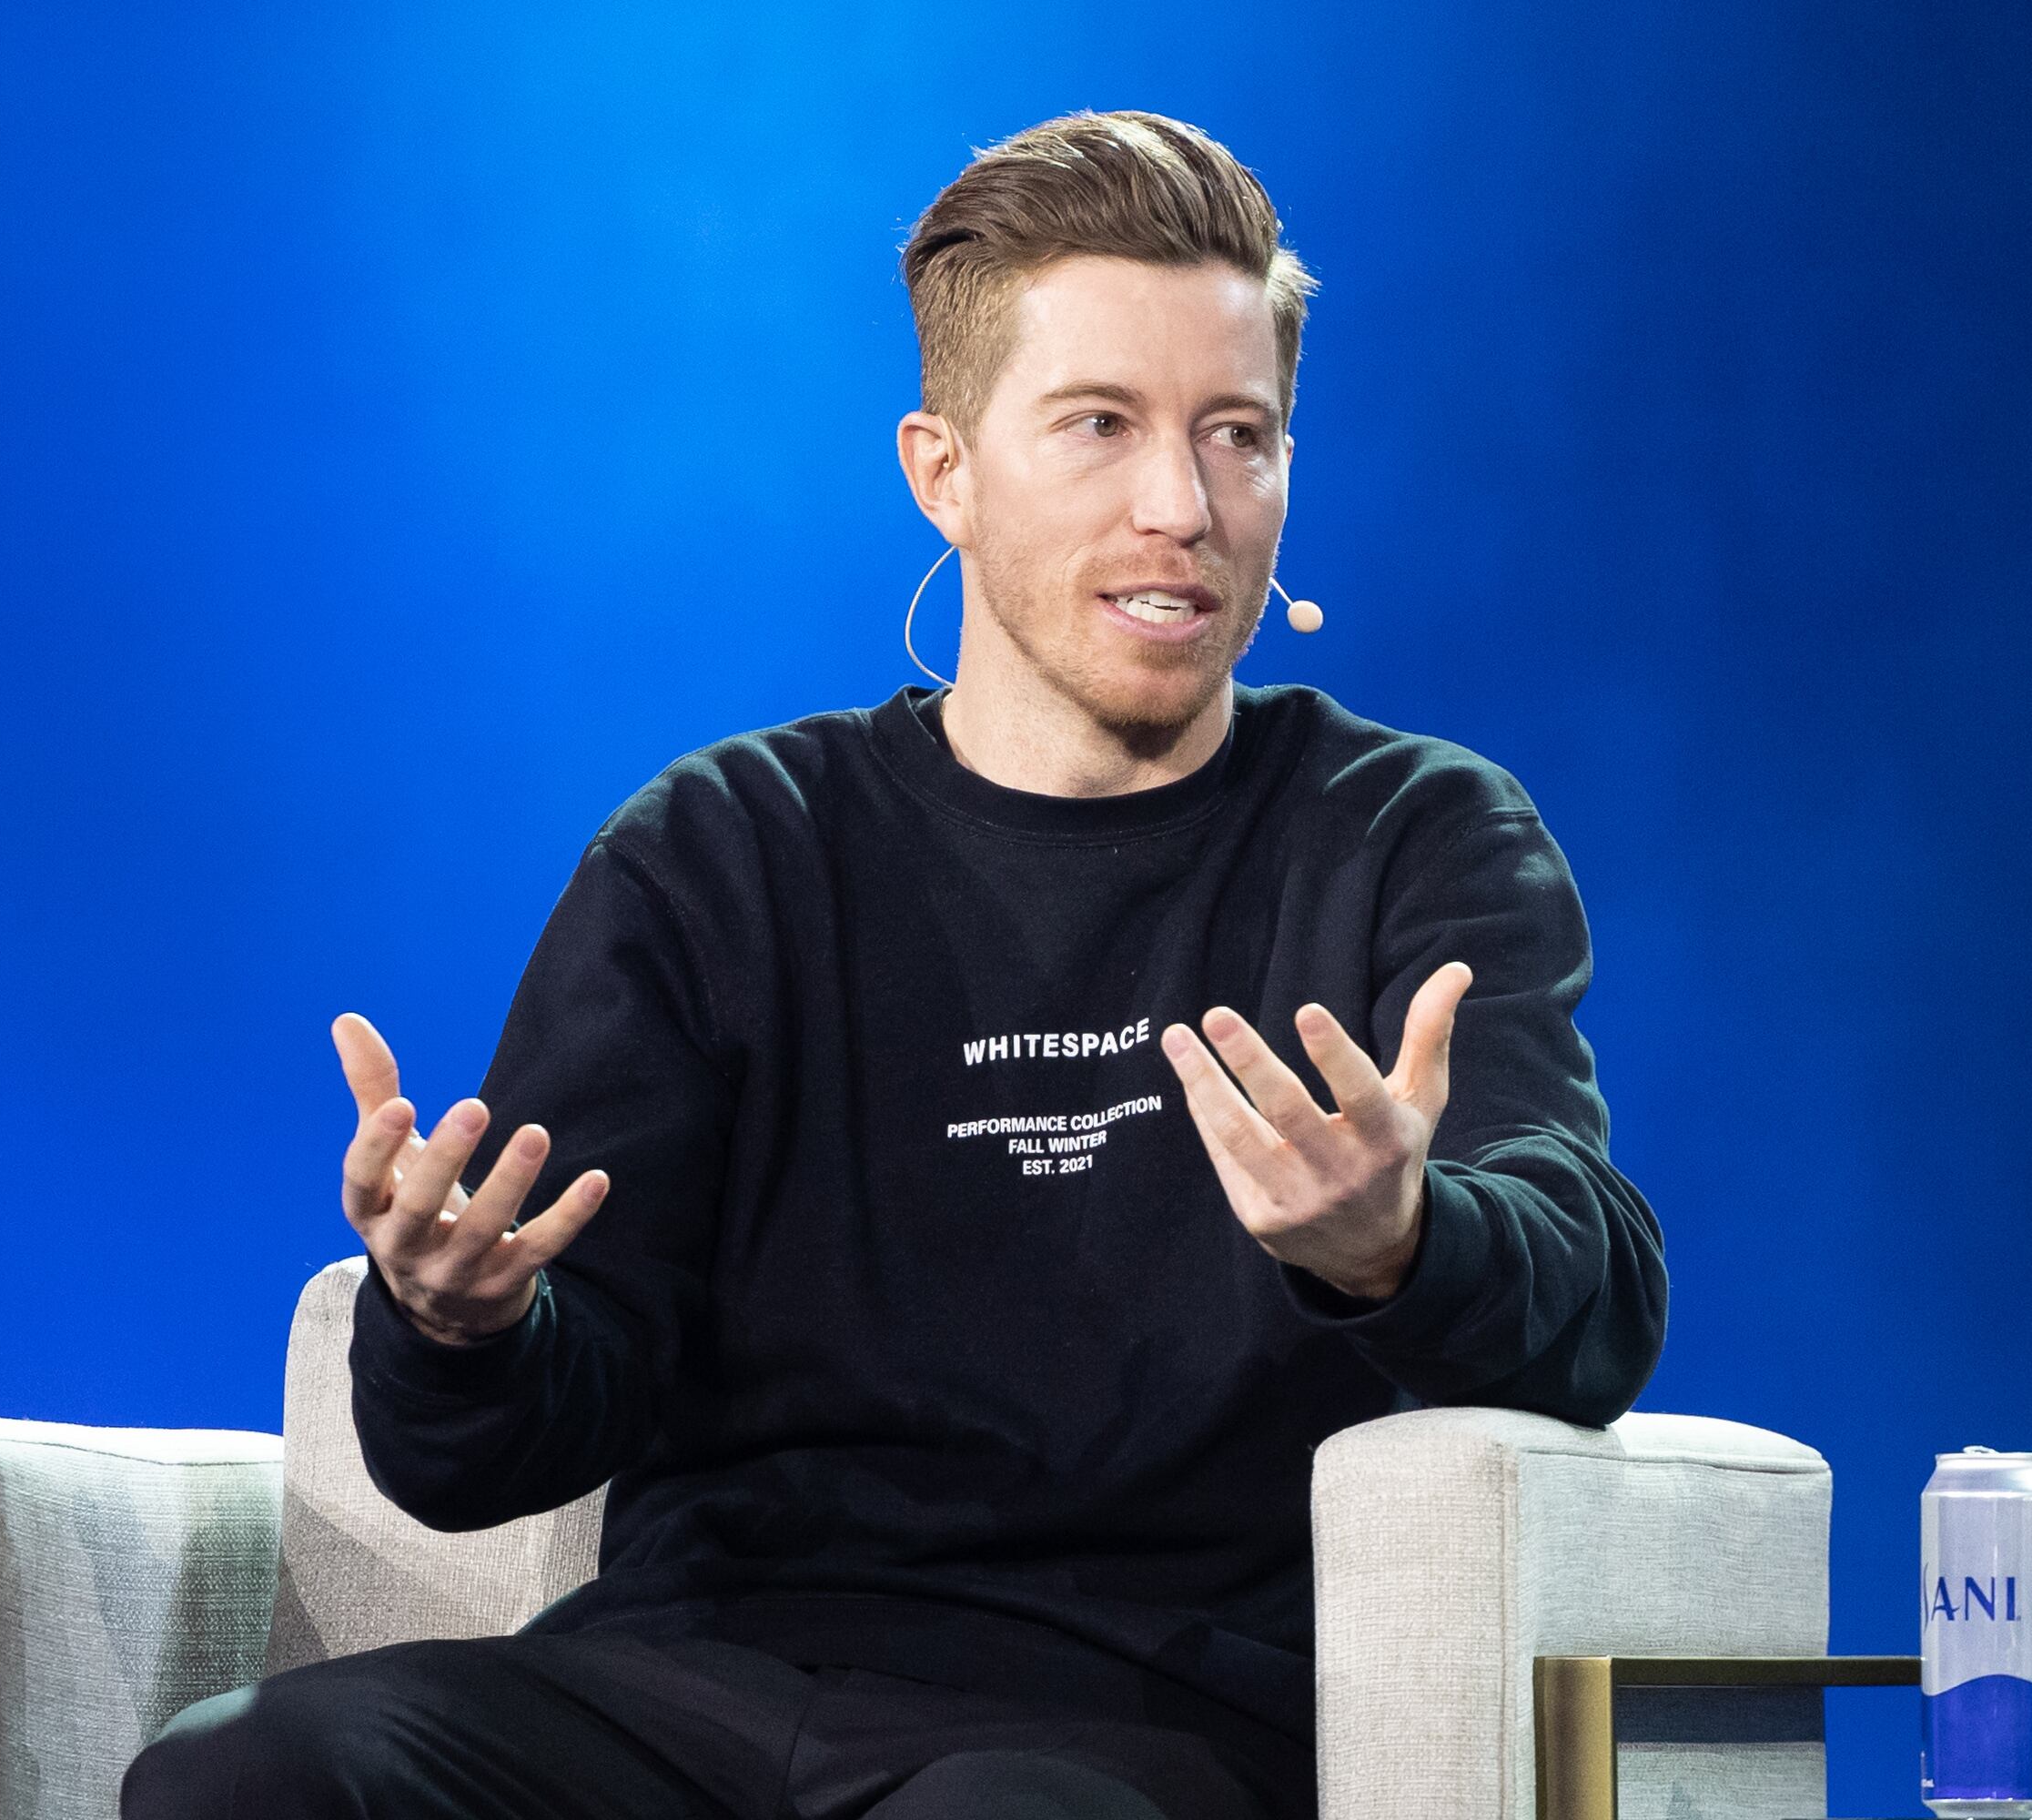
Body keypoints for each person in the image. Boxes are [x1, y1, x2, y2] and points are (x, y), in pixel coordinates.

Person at [125, 108, 1666, 1820]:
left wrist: (1399, 1244)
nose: (1184, 506)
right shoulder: (724, 851)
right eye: (1101, 426)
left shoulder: (1407, 836)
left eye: (1241, 436)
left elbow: (1596, 1307)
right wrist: (457, 1325)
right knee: (242, 1777)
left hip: (1134, 1714)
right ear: (942, 468)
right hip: (688, 1681)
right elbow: (486, 1453)